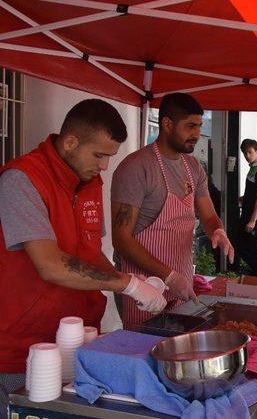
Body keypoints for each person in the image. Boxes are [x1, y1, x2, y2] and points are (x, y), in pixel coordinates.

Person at [0, 99, 166, 415]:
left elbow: (90, 254)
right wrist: (126, 285)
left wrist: (137, 282)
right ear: (71, 142)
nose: (104, 166)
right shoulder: (22, 180)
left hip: (78, 339)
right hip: (21, 347)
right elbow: (51, 266)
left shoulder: (88, 182)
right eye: (99, 155)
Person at [111, 93, 234, 330]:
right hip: (143, 285)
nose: (197, 134)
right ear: (166, 124)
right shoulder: (136, 168)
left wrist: (217, 230)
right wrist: (168, 277)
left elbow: (208, 214)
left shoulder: (193, 167)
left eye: (199, 126)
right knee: (145, 348)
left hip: (181, 281)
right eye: (190, 126)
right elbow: (121, 239)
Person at [235, 139, 257, 276]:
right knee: (241, 244)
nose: (247, 156)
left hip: (254, 218)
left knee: (255, 248)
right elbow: (253, 193)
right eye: (245, 153)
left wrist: (253, 221)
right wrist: (243, 198)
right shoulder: (253, 170)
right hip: (247, 214)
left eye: (250, 152)